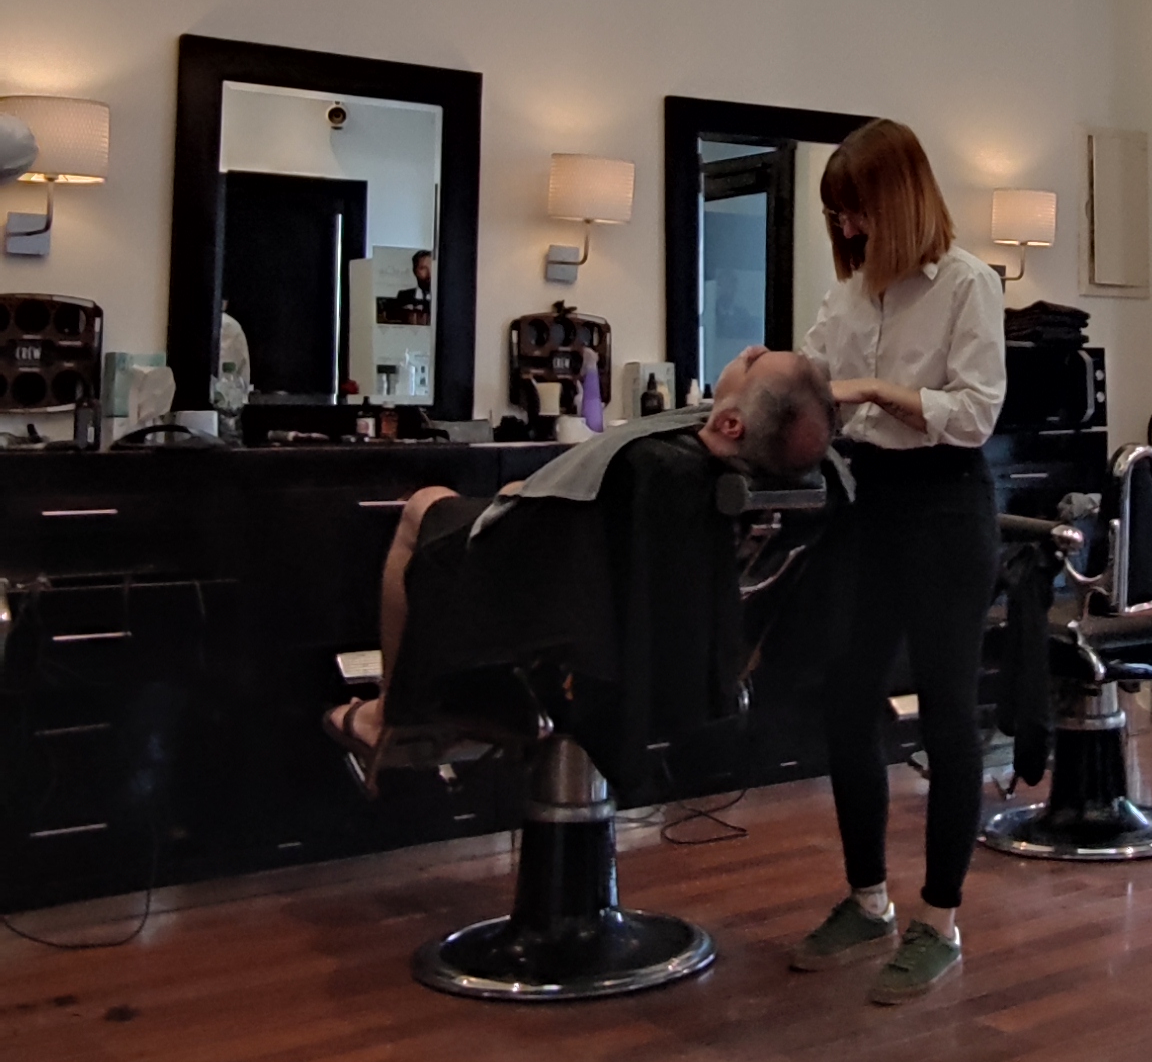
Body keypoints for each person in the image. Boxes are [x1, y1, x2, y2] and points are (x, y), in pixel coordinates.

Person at [327, 344, 833, 775]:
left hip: (561, 622)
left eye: (756, 362)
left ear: (729, 423)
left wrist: (525, 499)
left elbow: (562, 537)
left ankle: (393, 718)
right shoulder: (747, 476)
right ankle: (482, 706)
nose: (752, 350)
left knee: (424, 505)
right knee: (500, 499)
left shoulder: (659, 464)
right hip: (640, 651)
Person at [793, 117, 1005, 1006]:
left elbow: (976, 413)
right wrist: (763, 382)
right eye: (837, 215)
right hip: (868, 504)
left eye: (856, 211)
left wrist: (879, 389)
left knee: (948, 713)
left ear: (898, 201)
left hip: (947, 506)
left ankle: (940, 921)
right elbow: (810, 382)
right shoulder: (846, 298)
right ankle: (866, 899)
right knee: (847, 695)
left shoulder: (968, 284)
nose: (846, 228)